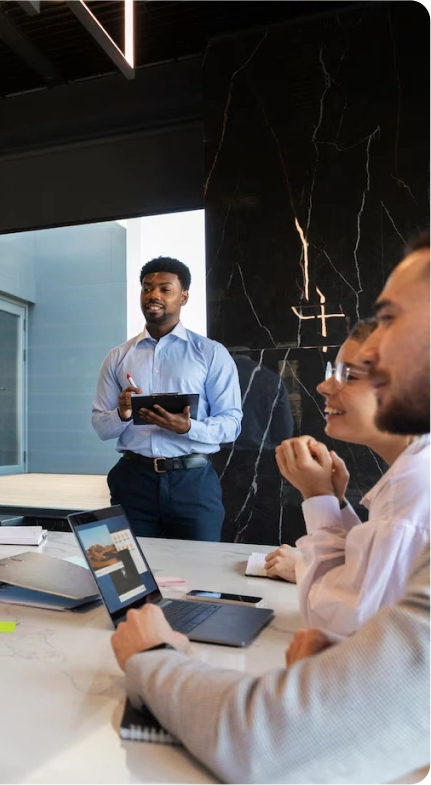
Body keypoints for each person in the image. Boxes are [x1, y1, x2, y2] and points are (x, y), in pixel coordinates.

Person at [109, 234, 431, 784]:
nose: (371, 350)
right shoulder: (119, 357)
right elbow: (357, 617)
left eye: (391, 319)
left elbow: (269, 739)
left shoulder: (415, 498)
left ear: (184, 295)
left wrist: (152, 656)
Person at [269, 320, 430, 637]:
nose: (324, 386)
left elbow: (339, 622)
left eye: (348, 376)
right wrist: (337, 502)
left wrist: (317, 497)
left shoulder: (413, 483)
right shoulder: (415, 468)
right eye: (333, 370)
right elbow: (375, 578)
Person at [92, 257, 243, 541]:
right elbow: (100, 427)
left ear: (184, 295)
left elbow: (232, 424)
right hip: (133, 482)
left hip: (193, 482)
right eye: (147, 288)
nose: (154, 295)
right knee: (130, 578)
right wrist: (122, 413)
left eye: (165, 289)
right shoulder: (117, 357)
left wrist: (187, 427)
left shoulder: (210, 353)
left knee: (200, 579)